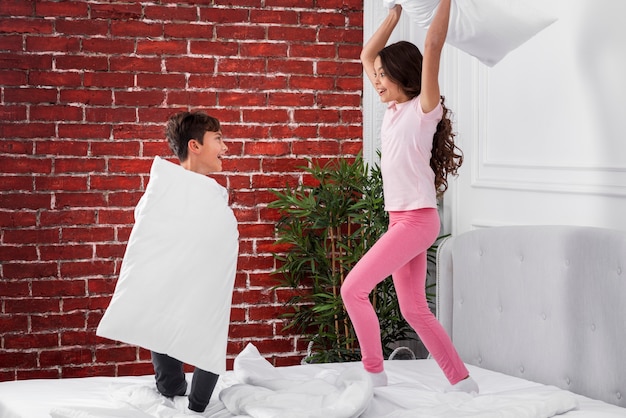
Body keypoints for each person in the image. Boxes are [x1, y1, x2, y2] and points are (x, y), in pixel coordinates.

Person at [340, 1, 478, 394]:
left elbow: (432, 46)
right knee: (414, 309)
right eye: (377, 76)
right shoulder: (393, 110)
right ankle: (462, 382)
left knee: (353, 289)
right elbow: (367, 54)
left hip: (417, 220)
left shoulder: (423, 109)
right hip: (400, 219)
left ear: (404, 74)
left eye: (384, 75)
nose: (377, 81)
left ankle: (373, 373)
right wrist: (393, 17)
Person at [97, 110, 239, 414]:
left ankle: (195, 403)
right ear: (195, 146)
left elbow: (218, 245)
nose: (225, 147)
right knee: (163, 301)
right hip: (172, 282)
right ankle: (172, 387)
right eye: (218, 139)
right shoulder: (164, 194)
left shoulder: (208, 198)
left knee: (205, 323)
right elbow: (147, 237)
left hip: (202, 286)